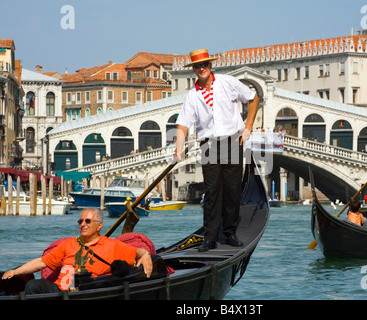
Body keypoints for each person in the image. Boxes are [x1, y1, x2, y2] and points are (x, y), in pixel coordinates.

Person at [174, 49, 259, 252]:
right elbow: (183, 125)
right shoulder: (193, 95)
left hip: (232, 140)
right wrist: (178, 148)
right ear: (193, 69)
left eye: (204, 65)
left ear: (210, 65)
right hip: (209, 144)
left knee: (232, 190)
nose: (201, 68)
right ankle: (210, 237)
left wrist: (248, 127)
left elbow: (253, 98)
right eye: (197, 66)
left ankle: (229, 233)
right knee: (212, 192)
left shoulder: (227, 82)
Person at [1, 208, 153, 294]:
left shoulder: (111, 245)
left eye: (88, 221)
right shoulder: (68, 244)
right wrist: (15, 272)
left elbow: (137, 252)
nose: (83, 224)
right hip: (59, 290)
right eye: (80, 221)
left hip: (86, 292)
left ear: (99, 226)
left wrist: (145, 255)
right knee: (33, 286)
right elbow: (42, 262)